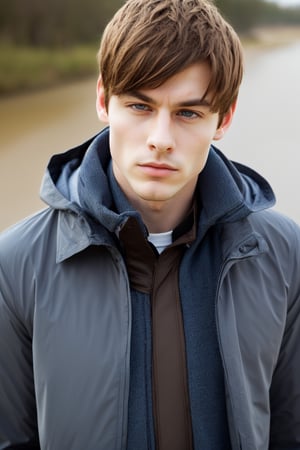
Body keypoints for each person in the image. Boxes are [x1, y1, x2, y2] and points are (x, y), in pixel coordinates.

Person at [1, 0, 300, 449]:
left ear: (226, 118)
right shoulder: (15, 265)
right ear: (104, 100)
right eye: (140, 106)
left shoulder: (286, 254)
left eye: (188, 113)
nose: (160, 139)